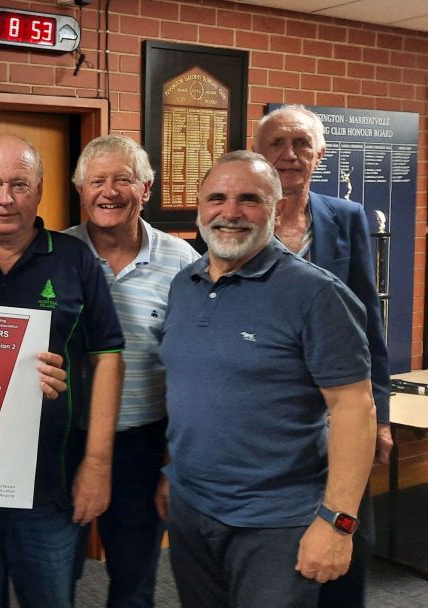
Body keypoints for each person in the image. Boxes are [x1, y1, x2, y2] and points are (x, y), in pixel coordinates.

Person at [158, 150, 376, 607]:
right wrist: (173, 476)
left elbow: (354, 410)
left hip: (278, 523)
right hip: (192, 510)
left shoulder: (316, 294)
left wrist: (337, 523)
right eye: (217, 198)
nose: (231, 212)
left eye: (250, 199)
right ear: (199, 207)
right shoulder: (184, 285)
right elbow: (189, 390)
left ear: (277, 209)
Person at [0, 135, 125, 608]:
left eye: (19, 184)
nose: (6, 198)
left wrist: (97, 463)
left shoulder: (74, 259)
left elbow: (108, 355)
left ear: (40, 189)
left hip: (49, 486)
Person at [253, 104, 390, 608]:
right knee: (274, 549)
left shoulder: (346, 217)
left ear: (320, 154)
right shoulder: (239, 217)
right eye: (277, 143)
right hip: (267, 416)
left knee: (350, 540)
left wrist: (380, 417)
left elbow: (368, 322)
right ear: (257, 152)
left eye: (301, 144)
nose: (289, 154)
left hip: (342, 410)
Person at [63, 135, 198, 607]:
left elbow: (192, 372)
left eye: (123, 179)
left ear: (146, 189)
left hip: (143, 447)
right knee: (53, 575)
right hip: (63, 442)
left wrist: (174, 463)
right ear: (80, 190)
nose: (109, 192)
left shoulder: (183, 263)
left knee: (134, 582)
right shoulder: (56, 254)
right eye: (97, 181)